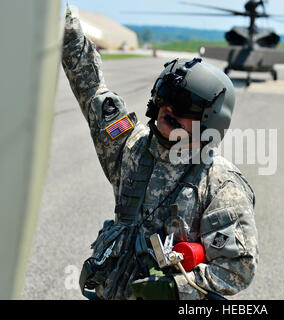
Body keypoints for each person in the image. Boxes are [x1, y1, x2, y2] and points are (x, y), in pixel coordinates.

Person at [62, 10, 258, 300]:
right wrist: (60, 19)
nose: (169, 109)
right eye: (165, 97)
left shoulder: (220, 184)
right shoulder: (131, 147)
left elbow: (238, 266)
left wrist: (173, 289)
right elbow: (89, 85)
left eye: (183, 106)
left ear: (209, 121)